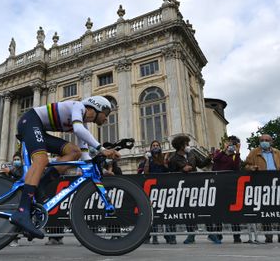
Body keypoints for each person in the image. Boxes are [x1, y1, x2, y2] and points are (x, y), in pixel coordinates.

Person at [11, 96, 120, 239]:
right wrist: (101, 149)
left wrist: (99, 170)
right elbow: (79, 130)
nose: (106, 119)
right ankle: (22, 211)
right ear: (96, 107)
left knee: (75, 152)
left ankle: (41, 184)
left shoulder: (83, 123)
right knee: (41, 159)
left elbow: (85, 155)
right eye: (106, 113)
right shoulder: (78, 106)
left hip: (39, 128)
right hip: (30, 121)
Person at [168, 135, 212, 244]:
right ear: (180, 146)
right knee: (189, 212)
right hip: (184, 189)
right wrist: (182, 170)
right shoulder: (173, 158)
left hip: (196, 186)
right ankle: (191, 235)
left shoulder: (192, 154)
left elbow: (201, 164)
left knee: (204, 209)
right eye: (186, 143)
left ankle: (211, 233)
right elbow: (171, 173)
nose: (188, 145)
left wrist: (209, 158)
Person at [244, 134, 280, 243]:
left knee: (278, 210)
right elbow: (246, 165)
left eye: (266, 140)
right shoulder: (254, 152)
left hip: (277, 184)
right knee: (265, 211)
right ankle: (268, 236)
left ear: (271, 142)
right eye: (262, 140)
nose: (264, 141)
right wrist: (251, 168)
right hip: (262, 185)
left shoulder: (277, 152)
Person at [207, 135, 242, 244]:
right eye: (230, 143)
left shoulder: (235, 156)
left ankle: (237, 236)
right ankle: (218, 235)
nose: (231, 146)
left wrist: (237, 153)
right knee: (218, 212)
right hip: (218, 186)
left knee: (234, 213)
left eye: (233, 144)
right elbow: (215, 159)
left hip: (230, 186)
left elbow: (236, 167)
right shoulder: (219, 153)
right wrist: (224, 150)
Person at [143, 141, 176, 245]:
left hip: (164, 188)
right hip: (153, 189)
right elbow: (146, 172)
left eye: (157, 146)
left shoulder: (163, 158)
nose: (155, 147)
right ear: (151, 148)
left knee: (167, 212)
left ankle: (170, 236)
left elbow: (169, 171)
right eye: (153, 146)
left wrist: (166, 163)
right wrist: (147, 160)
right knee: (153, 213)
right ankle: (153, 236)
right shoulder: (149, 158)